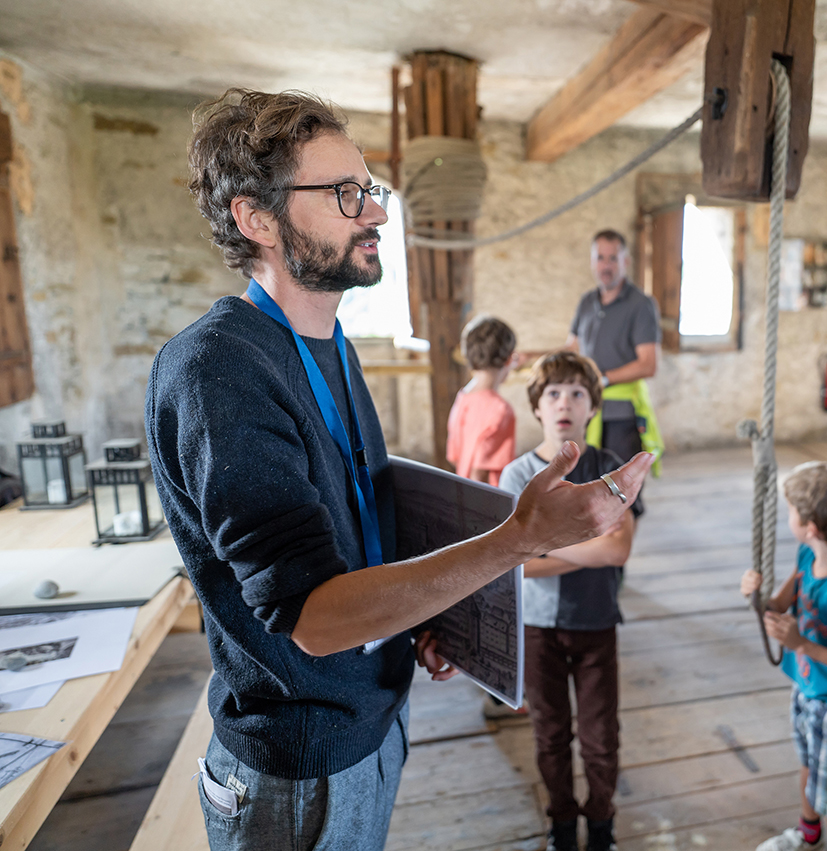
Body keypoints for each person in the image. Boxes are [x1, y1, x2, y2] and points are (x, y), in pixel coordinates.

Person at [146, 89, 653, 851]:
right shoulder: (218, 369)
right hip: (299, 767)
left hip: (373, 720)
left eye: (370, 191)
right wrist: (520, 539)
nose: (376, 213)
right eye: (345, 194)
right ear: (257, 218)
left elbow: (350, 540)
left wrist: (413, 620)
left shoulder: (333, 345)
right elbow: (313, 617)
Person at [499, 352, 642, 851]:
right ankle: (562, 824)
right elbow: (512, 563)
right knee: (550, 734)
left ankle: (600, 823)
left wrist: (546, 547)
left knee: (602, 738)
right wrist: (589, 549)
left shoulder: (609, 471)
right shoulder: (517, 477)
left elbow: (619, 548)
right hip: (537, 627)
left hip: (595, 620)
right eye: (553, 393)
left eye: (577, 393)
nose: (565, 402)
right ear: (537, 407)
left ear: (592, 408)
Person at [740, 462, 827, 851]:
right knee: (808, 766)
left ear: (812, 526)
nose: (790, 518)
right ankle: (807, 833)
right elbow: (778, 603)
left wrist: (802, 645)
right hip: (808, 689)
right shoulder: (806, 557)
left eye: (792, 511)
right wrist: (755, 594)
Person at [567, 230, 664, 466]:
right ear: (592, 262)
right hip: (586, 410)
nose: (606, 265)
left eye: (613, 258)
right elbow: (572, 349)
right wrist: (532, 358)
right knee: (587, 486)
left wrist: (604, 379)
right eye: (600, 258)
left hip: (623, 415)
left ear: (626, 261)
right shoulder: (586, 301)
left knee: (622, 490)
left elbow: (648, 364)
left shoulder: (641, 304)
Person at [446, 314, 518, 486]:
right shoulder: (501, 410)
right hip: (489, 502)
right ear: (509, 359)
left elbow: (454, 457)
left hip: (463, 492)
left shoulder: (463, 398)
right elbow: (480, 473)